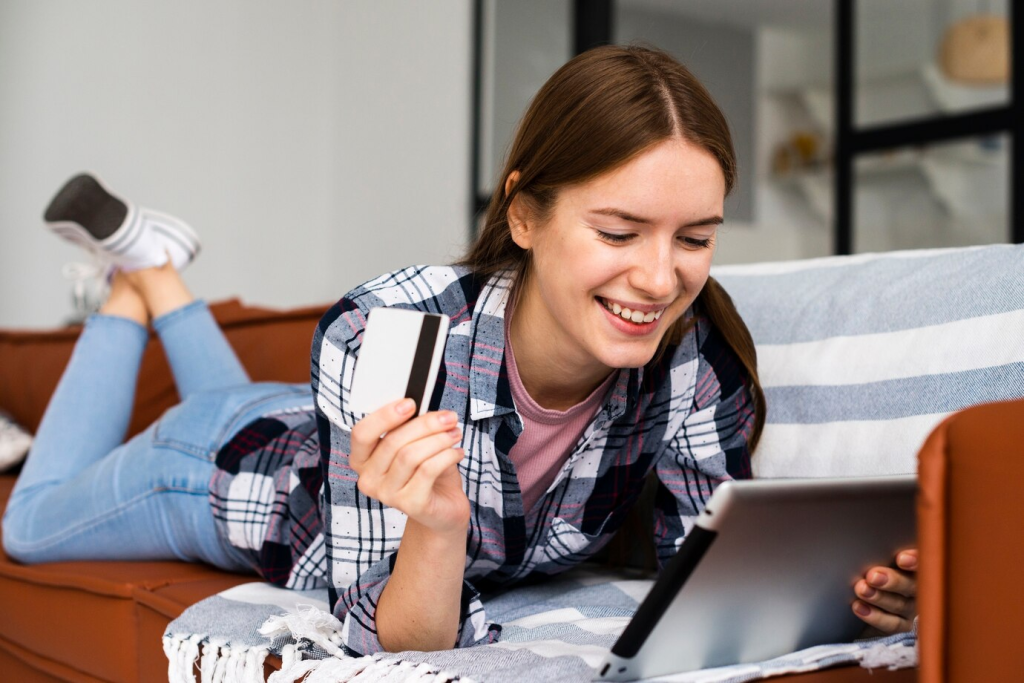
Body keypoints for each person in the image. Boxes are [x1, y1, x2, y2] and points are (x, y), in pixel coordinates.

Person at [2, 45, 917, 654]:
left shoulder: (692, 357)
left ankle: (163, 276)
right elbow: (398, 638)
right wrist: (439, 528)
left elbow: (701, 581)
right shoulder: (386, 329)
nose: (658, 277)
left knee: (261, 409)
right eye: (620, 230)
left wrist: (852, 597)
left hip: (300, 426)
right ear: (523, 213)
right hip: (217, 476)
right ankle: (136, 283)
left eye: (694, 237)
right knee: (27, 526)